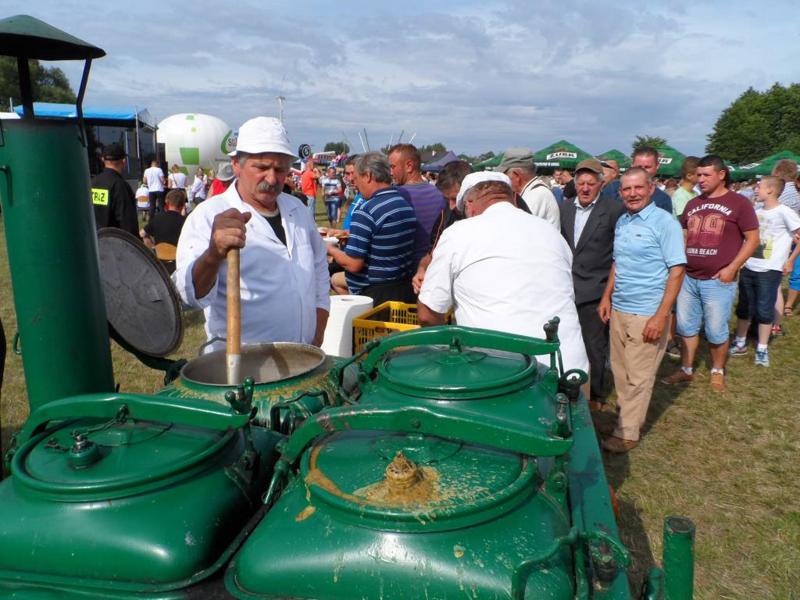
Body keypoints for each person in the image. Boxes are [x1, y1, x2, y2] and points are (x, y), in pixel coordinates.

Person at [174, 116, 329, 352]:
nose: (272, 178)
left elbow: (318, 269)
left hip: (304, 356)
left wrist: (317, 332)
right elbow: (190, 295)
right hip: (241, 363)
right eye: (262, 167)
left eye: (280, 169)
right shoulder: (209, 215)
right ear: (236, 164)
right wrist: (213, 255)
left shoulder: (297, 210)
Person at [417, 175, 589, 376]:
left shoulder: (459, 233)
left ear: (469, 205)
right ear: (512, 199)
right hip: (568, 367)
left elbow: (427, 313)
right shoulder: (552, 233)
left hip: (502, 373)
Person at [597, 167, 686, 453]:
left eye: (638, 188)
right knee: (621, 372)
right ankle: (624, 420)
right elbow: (617, 262)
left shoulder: (665, 223)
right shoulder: (623, 221)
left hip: (647, 312)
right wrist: (607, 297)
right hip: (620, 308)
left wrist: (661, 316)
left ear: (651, 188)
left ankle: (627, 434)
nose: (632, 194)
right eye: (626, 189)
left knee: (639, 377)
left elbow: (677, 270)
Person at [662, 155, 759, 392]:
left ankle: (717, 370)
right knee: (686, 328)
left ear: (721, 174)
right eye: (699, 175)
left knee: (716, 330)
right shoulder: (692, 203)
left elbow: (753, 239)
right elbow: (684, 234)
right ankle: (686, 369)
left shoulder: (739, 203)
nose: (701, 179)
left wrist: (732, 268)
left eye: (706, 175)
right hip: (688, 277)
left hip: (718, 280)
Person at [560, 159, 625, 412]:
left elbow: (618, 254)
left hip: (596, 290)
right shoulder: (565, 208)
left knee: (594, 345)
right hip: (567, 289)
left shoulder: (613, 210)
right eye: (581, 183)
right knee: (567, 340)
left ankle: (595, 394)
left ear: (601, 184)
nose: (585, 188)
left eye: (590, 183)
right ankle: (568, 386)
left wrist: (608, 294)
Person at [327, 152, 417, 304]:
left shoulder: (366, 211)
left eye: (356, 178)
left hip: (374, 293)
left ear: (368, 176)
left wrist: (329, 248)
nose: (356, 185)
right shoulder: (404, 204)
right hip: (403, 288)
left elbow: (353, 264)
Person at [729, 176, 800, 366]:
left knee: (764, 309)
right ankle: (740, 342)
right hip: (749, 266)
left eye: (759, 187)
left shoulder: (785, 212)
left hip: (769, 269)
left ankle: (762, 348)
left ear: (770, 190)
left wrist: (790, 261)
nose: (755, 190)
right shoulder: (756, 211)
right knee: (744, 307)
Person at [412, 160, 473, 294]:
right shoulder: (445, 215)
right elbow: (431, 254)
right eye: (446, 199)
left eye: (455, 199)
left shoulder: (489, 218)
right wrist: (422, 269)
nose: (451, 206)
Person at [388, 143, 447, 266]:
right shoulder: (439, 194)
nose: (390, 172)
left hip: (405, 266)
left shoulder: (395, 196)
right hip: (431, 262)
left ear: (409, 166)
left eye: (393, 167)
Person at [496, 147, 560, 228]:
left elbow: (517, 228)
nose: (504, 180)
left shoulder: (536, 194)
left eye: (505, 175)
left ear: (517, 175)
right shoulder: (533, 192)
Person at [91, 143, 138, 237]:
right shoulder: (120, 186)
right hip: (114, 241)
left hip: (95, 240)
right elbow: (127, 222)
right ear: (123, 161)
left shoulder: (93, 182)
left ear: (103, 159)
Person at [141, 188, 187, 274]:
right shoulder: (185, 222)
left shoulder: (157, 218)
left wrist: (152, 248)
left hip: (159, 262)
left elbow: (142, 233)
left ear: (167, 202)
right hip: (179, 264)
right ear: (183, 205)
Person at [630, 147, 673, 213]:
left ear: (657, 166)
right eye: (639, 167)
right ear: (632, 165)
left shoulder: (663, 199)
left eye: (647, 167)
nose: (643, 170)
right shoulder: (615, 190)